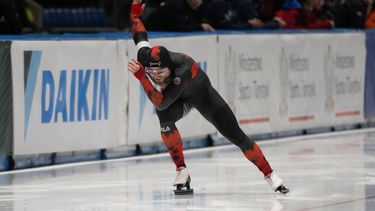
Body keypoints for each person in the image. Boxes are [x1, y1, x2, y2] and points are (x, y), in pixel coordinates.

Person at [128, 0, 289, 195]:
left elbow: (161, 102)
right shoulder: (146, 57)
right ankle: (181, 170)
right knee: (165, 120)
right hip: (176, 98)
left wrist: (142, 77)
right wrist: (135, 14)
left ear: (170, 66)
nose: (158, 76)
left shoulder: (184, 69)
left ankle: (270, 175)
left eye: (161, 71)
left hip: (203, 97)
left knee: (236, 135)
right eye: (152, 73)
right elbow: (140, 35)